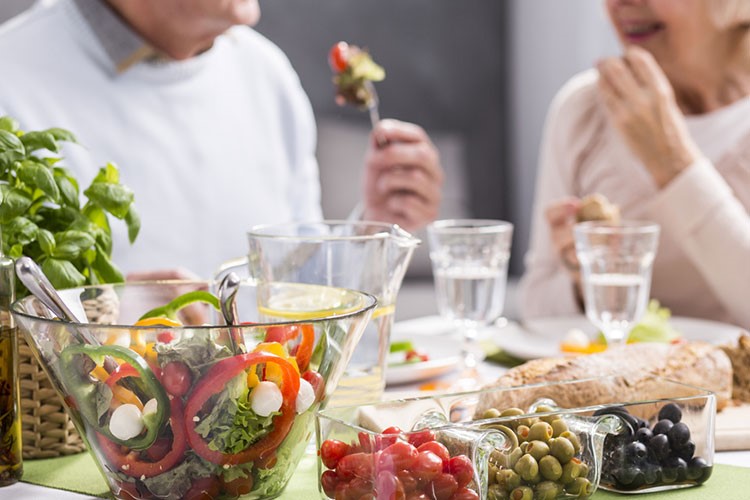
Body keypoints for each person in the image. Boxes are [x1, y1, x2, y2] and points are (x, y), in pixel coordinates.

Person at [0, 0, 443, 279]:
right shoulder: (11, 75)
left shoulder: (266, 73)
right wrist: (103, 318)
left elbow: (296, 289)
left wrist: (371, 229)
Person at [519, 0, 750, 328]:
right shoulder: (584, 110)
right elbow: (536, 309)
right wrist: (586, 282)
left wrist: (673, 164)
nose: (620, 3)